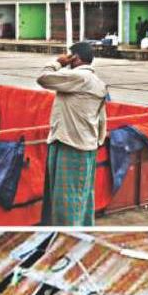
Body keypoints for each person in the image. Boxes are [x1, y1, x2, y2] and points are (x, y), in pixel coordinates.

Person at [37, 40, 111, 226]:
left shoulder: (80, 77)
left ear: (75, 58)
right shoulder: (97, 82)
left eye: (69, 56)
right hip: (77, 144)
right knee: (79, 197)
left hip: (71, 146)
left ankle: (68, 234)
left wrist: (57, 62)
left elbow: (43, 78)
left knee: (67, 202)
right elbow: (101, 118)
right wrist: (97, 141)